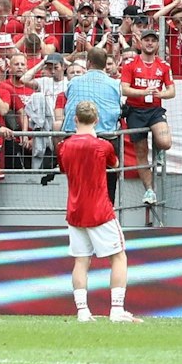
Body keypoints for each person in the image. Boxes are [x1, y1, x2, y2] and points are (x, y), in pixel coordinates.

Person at [59, 100, 136, 322]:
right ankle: (117, 309)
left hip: (75, 211)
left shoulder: (64, 146)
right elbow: (114, 163)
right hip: (100, 210)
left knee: (81, 261)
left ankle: (82, 311)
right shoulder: (103, 146)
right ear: (97, 120)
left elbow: (63, 167)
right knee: (118, 257)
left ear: (75, 119)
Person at [117, 28, 173, 207]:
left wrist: (160, 94)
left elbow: (172, 91)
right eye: (147, 40)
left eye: (153, 40)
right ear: (140, 43)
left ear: (157, 44)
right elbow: (124, 89)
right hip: (135, 110)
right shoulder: (130, 65)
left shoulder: (164, 65)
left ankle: (160, 151)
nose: (150, 43)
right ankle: (149, 190)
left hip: (155, 110)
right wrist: (143, 92)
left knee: (165, 142)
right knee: (141, 153)